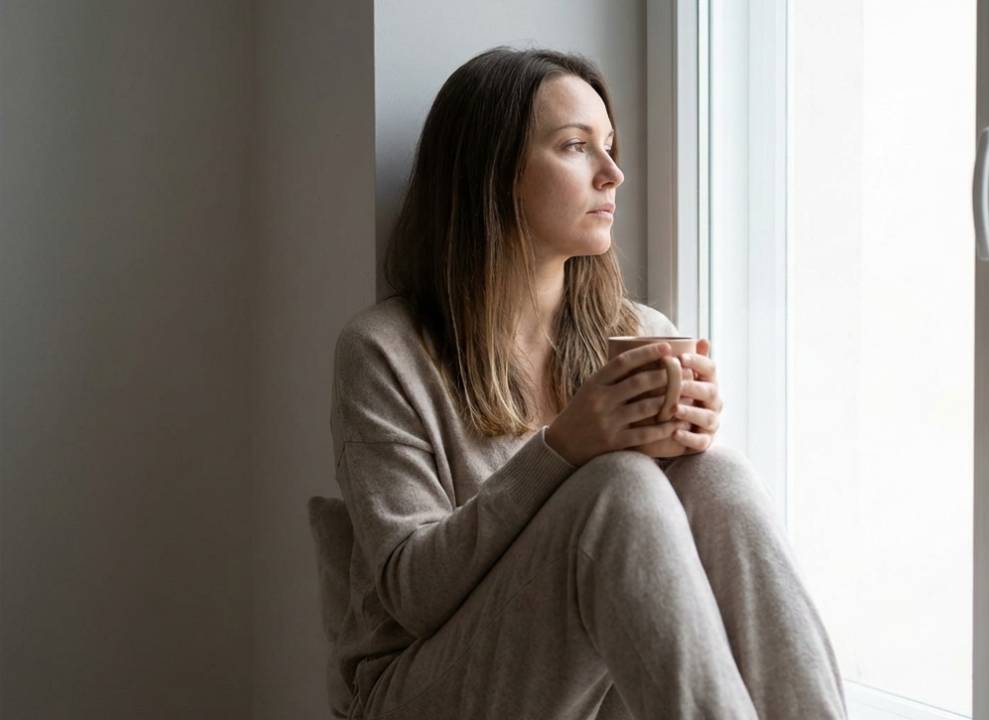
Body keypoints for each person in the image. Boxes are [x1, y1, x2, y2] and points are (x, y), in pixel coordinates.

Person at [328, 46, 847, 720]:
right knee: (619, 486)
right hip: (423, 688)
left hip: (595, 675)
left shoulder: (635, 329)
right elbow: (412, 596)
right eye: (576, 148)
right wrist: (564, 446)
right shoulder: (384, 351)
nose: (614, 174)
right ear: (495, 174)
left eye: (610, 147)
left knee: (718, 476)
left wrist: (690, 437)